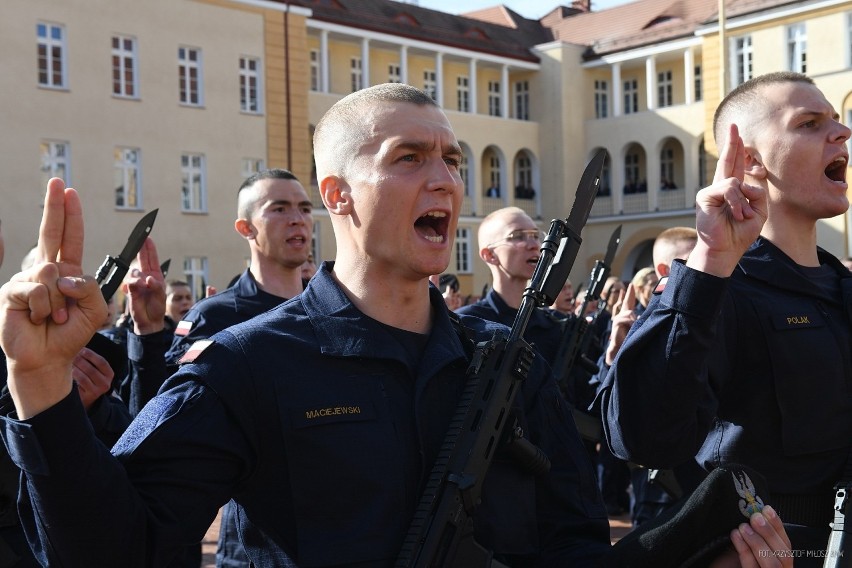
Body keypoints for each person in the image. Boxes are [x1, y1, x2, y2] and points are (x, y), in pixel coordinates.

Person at [0, 85, 790, 567]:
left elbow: (573, 550)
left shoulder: (506, 365)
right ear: (338, 194)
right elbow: (116, 550)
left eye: (450, 157)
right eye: (409, 157)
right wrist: (41, 387)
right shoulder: (248, 365)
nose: (446, 176)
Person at [600, 72, 851, 563]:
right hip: (764, 550)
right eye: (809, 123)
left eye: (837, 120)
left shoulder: (842, 290)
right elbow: (644, 436)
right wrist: (712, 260)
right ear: (752, 160)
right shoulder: (718, 286)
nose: (841, 132)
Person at [124, 167, 313, 567]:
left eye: (303, 208)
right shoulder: (216, 316)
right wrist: (150, 333)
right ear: (246, 227)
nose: (297, 218)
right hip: (255, 542)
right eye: (279, 208)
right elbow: (163, 416)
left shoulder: (329, 311)